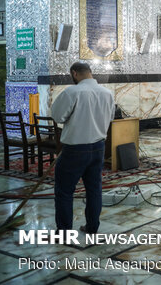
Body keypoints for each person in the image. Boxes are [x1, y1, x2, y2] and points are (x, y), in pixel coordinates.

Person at [51, 62, 114, 234]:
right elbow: (110, 117)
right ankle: (92, 227)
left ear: (74, 73)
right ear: (90, 73)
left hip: (75, 150)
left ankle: (64, 232)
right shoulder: (107, 93)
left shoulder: (72, 92)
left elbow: (57, 116)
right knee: (94, 190)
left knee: (64, 191)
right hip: (98, 148)